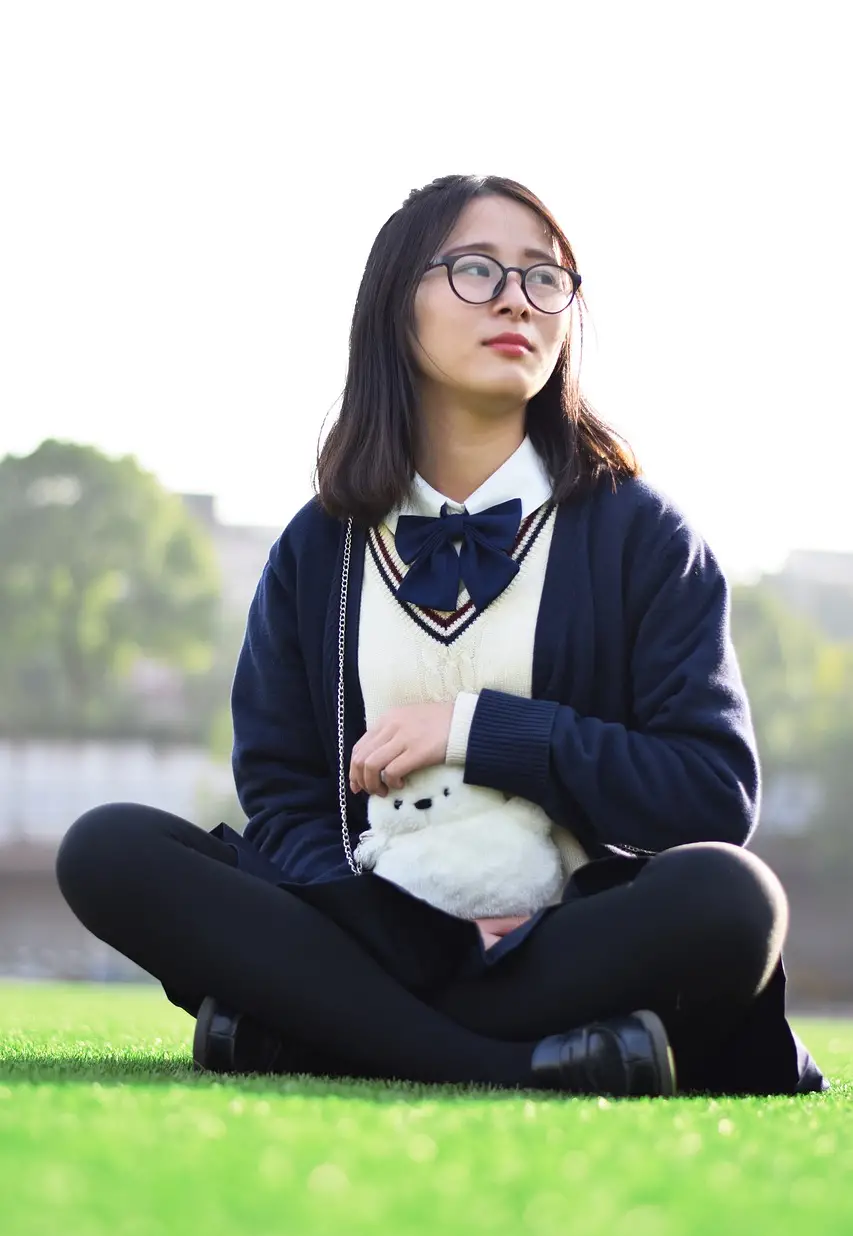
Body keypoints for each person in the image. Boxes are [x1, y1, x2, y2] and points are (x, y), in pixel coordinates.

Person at [55, 174, 827, 1097]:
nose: (515, 298)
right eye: (474, 269)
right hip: (369, 931)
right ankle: (525, 1064)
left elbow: (707, 794)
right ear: (394, 305)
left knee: (732, 900)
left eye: (546, 279)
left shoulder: (642, 533)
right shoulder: (317, 546)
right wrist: (387, 923)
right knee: (108, 849)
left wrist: (477, 730)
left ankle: (310, 1033)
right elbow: (286, 797)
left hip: (568, 944)